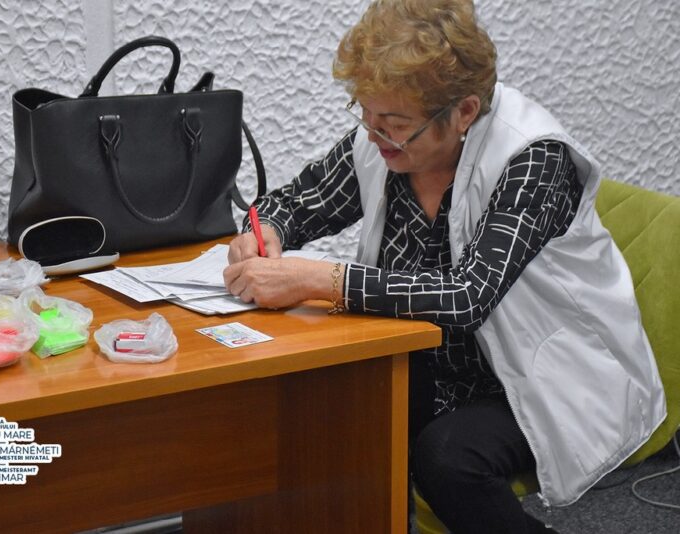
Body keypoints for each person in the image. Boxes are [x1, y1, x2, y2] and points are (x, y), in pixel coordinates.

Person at [224, 0, 666, 532]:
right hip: (435, 369)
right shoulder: (384, 143)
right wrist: (262, 232)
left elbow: (468, 296)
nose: (373, 136)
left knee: (448, 458)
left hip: (544, 379)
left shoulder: (532, 160)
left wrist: (318, 280)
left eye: (394, 124)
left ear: (464, 112)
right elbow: (294, 202)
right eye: (365, 115)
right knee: (330, 406)